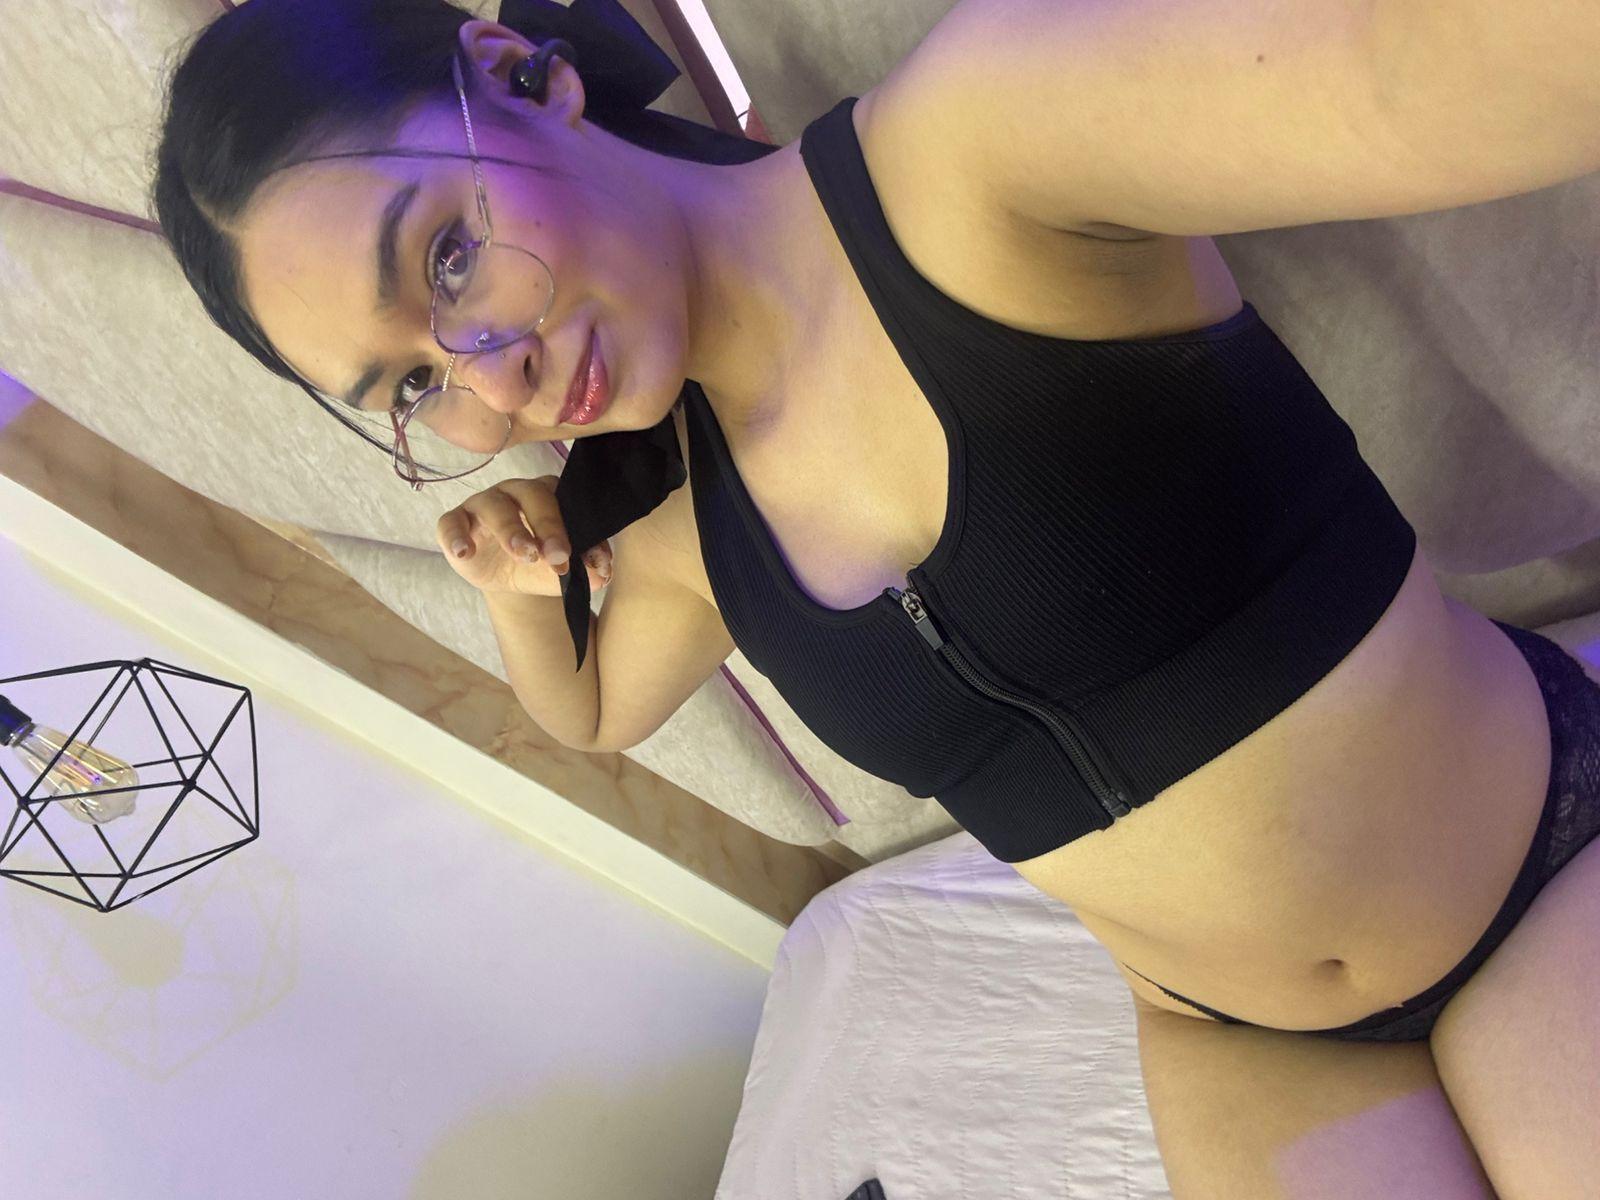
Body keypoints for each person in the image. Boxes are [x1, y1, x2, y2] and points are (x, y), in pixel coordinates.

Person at [153, 0, 1600, 1193]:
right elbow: (590, 715)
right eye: (412, 386)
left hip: (1531, 868)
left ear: (519, 73)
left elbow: (1411, 66)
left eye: (449, 254)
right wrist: (520, 588)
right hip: (1239, 1046)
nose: (489, 377)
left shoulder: (971, 157)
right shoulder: (698, 537)